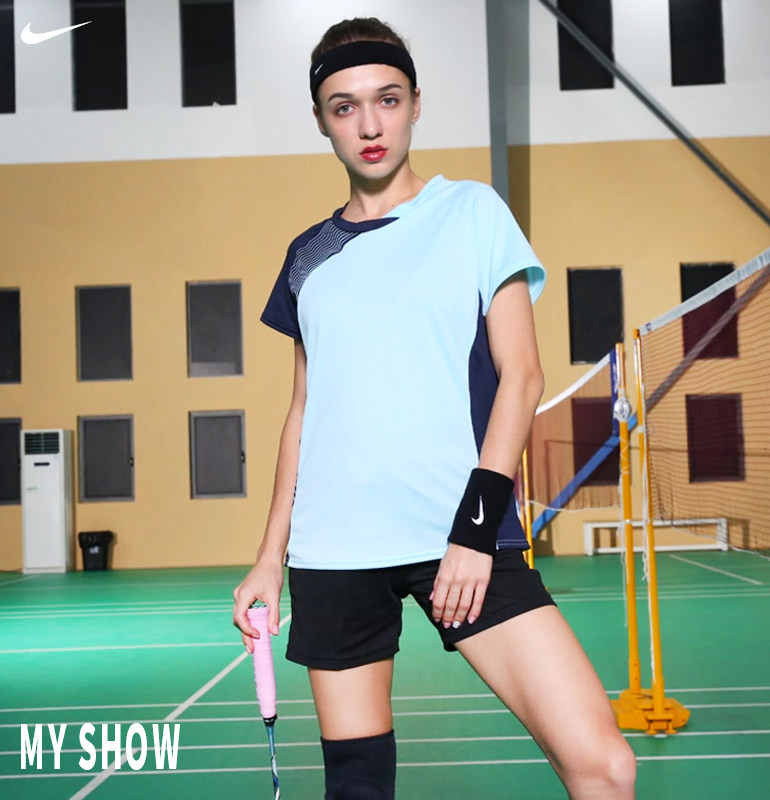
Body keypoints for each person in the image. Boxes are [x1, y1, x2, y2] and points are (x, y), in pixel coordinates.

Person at [233, 17, 637, 800]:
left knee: (604, 766)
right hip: (334, 549)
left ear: (416, 103)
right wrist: (268, 558)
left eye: (387, 100)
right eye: (344, 107)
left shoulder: (473, 213)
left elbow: (522, 377)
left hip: (460, 532)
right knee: (358, 787)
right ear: (321, 120)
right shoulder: (308, 257)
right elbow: (304, 410)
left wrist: (475, 533)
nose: (369, 125)